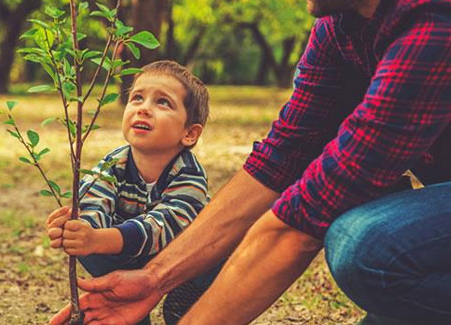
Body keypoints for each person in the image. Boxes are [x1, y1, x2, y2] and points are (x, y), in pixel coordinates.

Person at [50, 0, 451, 324]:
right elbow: (280, 159)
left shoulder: (434, 23)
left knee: (363, 244)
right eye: (137, 97)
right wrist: (154, 280)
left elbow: (309, 214)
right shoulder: (338, 27)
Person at [46, 60, 223, 324]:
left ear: (189, 133)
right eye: (137, 98)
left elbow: (162, 226)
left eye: (163, 102)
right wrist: (79, 229)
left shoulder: (189, 175)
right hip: (128, 254)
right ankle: (125, 306)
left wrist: (100, 238)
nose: (144, 109)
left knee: (221, 251)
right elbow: (94, 201)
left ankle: (190, 297)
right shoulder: (113, 163)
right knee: (87, 241)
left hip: (179, 258)